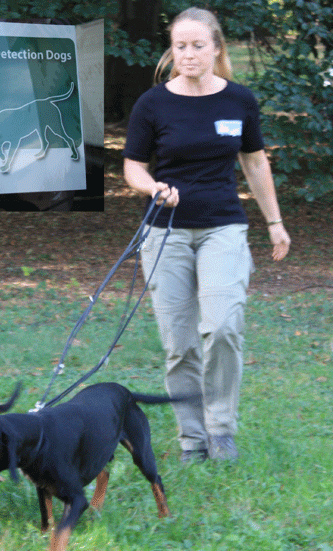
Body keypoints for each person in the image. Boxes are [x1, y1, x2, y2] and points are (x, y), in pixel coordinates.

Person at [122, 7, 291, 462]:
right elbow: (132, 165)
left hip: (224, 228)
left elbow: (255, 161)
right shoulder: (153, 103)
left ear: (217, 48)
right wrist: (151, 186)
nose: (189, 55)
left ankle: (221, 430)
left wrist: (275, 222)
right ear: (171, 50)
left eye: (199, 46)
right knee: (180, 346)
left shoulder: (239, 101)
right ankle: (192, 440)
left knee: (222, 327)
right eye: (180, 46)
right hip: (166, 233)